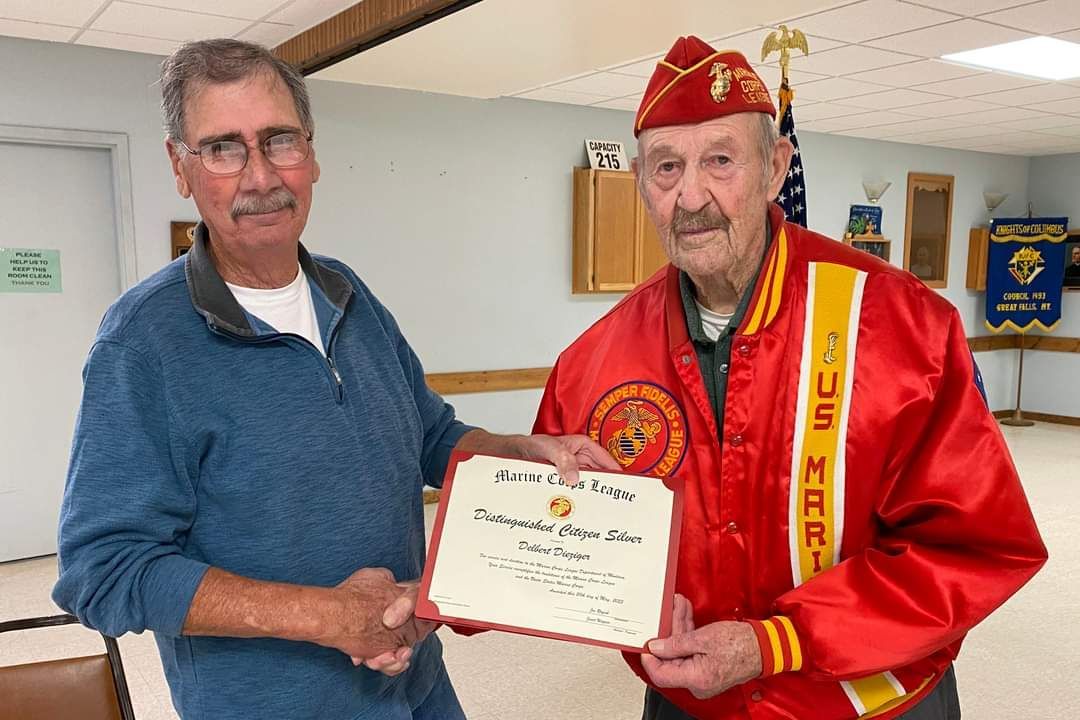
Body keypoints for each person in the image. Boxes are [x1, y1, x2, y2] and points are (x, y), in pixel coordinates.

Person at [52, 39, 616, 720]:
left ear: (311, 153)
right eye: (223, 148)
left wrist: (526, 452)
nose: (260, 176)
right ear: (181, 166)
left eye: (279, 140)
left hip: (417, 687)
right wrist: (327, 615)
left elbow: (433, 437)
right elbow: (103, 571)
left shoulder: (349, 296)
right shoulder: (142, 343)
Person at [533, 37, 1047, 720]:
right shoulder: (590, 363)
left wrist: (776, 642)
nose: (691, 195)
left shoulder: (903, 328)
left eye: (720, 160)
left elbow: (976, 549)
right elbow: (552, 539)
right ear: (639, 184)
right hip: (690, 703)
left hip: (872, 703)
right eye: (666, 167)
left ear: (777, 167)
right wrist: (442, 598)